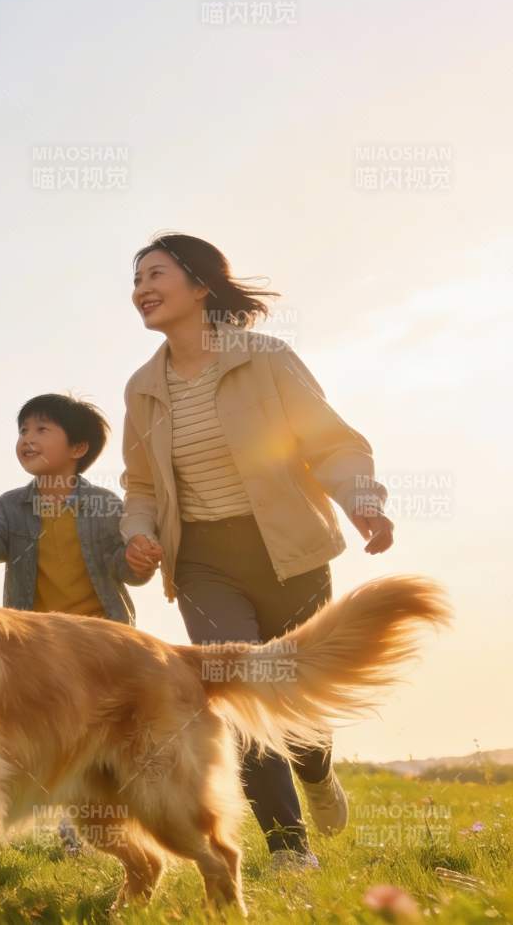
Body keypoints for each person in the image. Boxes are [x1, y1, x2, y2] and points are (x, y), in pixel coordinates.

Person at [119, 233, 395, 870]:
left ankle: (318, 771)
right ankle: (289, 850)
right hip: (203, 562)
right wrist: (140, 532)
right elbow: (138, 484)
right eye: (136, 282)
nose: (142, 290)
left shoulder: (266, 359)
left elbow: (330, 443)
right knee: (240, 694)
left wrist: (362, 500)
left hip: (288, 548)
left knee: (297, 691)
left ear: (201, 285)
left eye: (155, 274)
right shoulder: (141, 388)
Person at [0, 393, 149, 625]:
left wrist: (137, 561)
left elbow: (122, 566)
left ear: (78, 448)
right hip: (37, 639)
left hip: (102, 635)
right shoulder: (11, 506)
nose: (27, 439)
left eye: (41, 430)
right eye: (23, 431)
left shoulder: (104, 505)